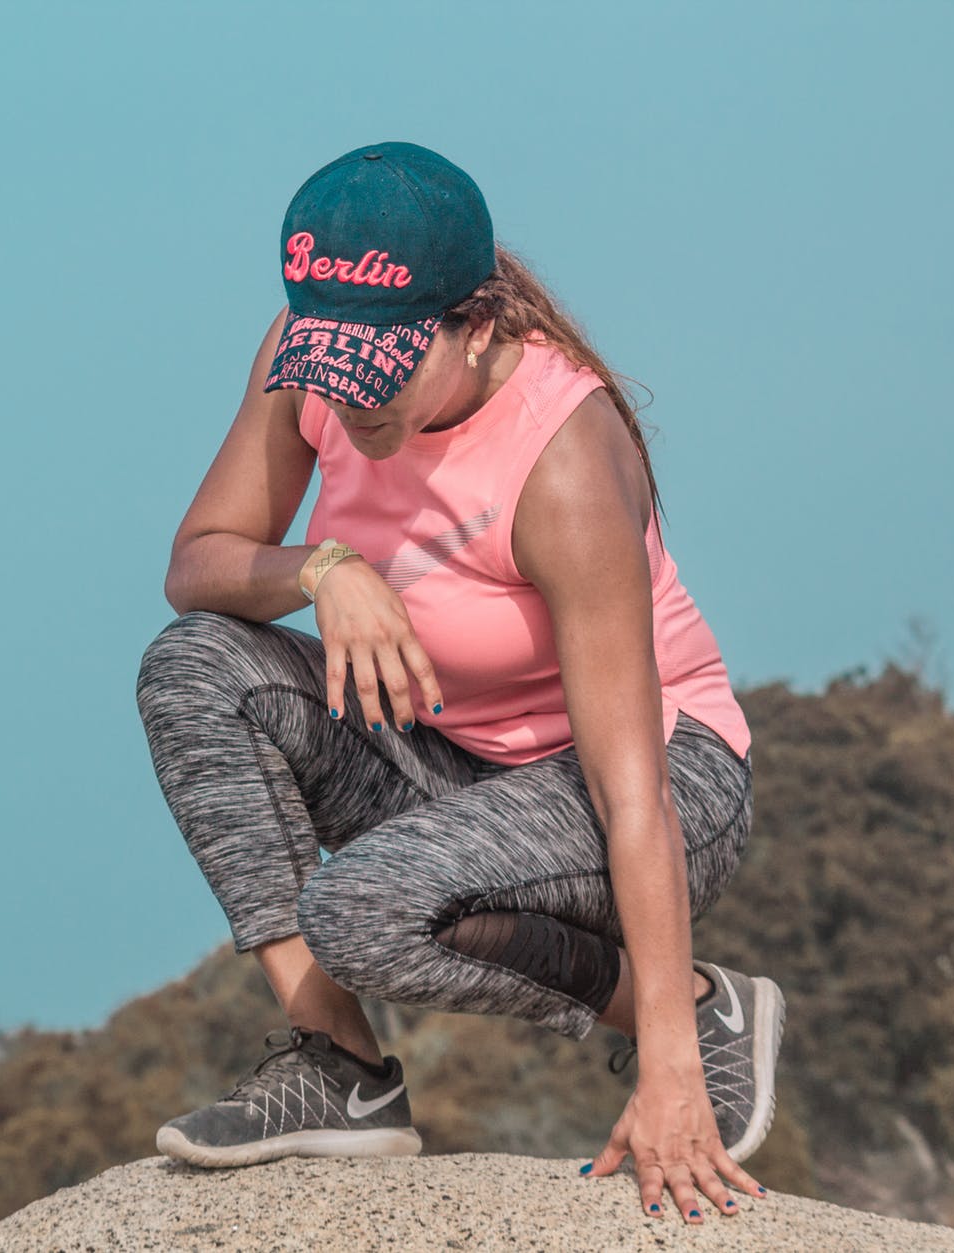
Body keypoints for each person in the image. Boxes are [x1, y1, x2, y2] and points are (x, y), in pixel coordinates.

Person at [134, 141, 782, 1227]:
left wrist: (666, 1053)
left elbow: (634, 792)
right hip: (449, 760)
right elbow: (197, 560)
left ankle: (705, 1009)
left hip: (653, 779)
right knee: (193, 664)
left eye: (380, 372)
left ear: (474, 326)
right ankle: (339, 1064)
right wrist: (320, 568)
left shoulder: (559, 455)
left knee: (359, 908)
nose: (350, 407)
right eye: (330, 368)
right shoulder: (304, 359)